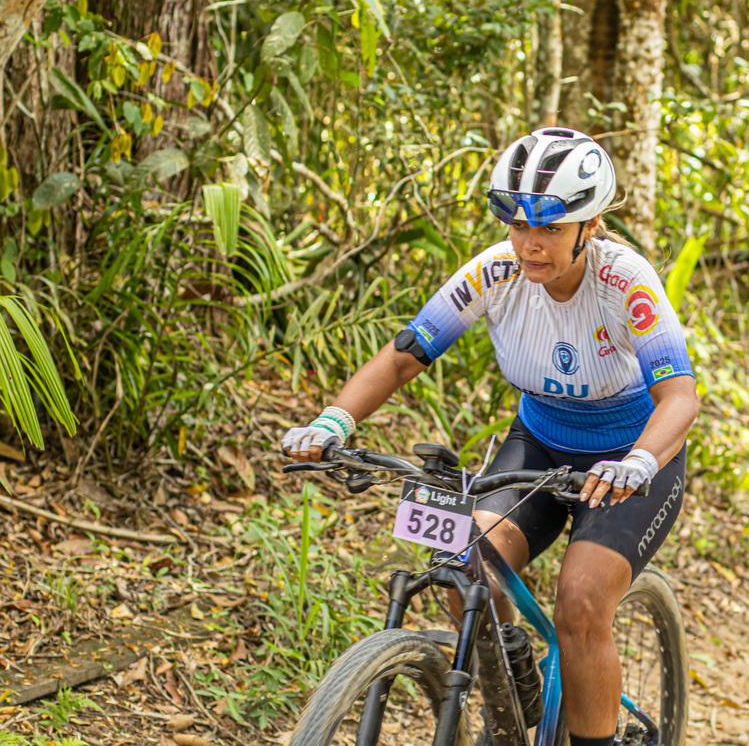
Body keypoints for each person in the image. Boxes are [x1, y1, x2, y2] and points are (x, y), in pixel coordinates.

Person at [282, 126, 698, 746]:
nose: (530, 244)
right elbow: (402, 357)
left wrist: (639, 460)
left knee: (581, 603)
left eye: (550, 228)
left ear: (589, 225)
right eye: (518, 225)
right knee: (461, 562)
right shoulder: (495, 271)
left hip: (631, 456)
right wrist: (332, 421)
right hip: (541, 442)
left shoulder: (624, 280)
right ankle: (517, 697)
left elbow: (680, 397)